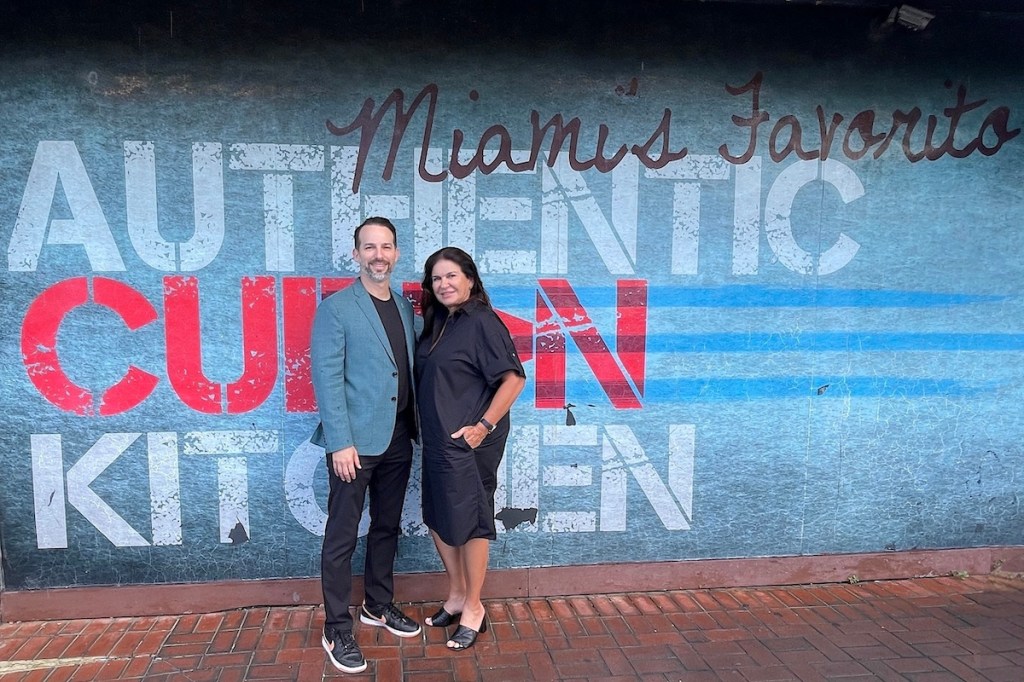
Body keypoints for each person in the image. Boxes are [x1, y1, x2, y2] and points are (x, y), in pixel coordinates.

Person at [309, 216, 422, 674]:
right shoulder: (336, 309)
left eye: (387, 246)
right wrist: (340, 442)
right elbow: (327, 378)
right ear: (356, 255)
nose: (379, 255)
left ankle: (378, 604)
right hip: (354, 444)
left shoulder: (405, 307)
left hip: (398, 438)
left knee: (387, 528)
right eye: (369, 247)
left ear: (396, 254)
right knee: (341, 535)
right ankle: (336, 626)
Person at [414, 246, 527, 651]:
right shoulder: (438, 322)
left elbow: (514, 380)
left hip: (470, 442)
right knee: (439, 516)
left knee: (471, 519)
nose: (443, 284)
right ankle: (458, 594)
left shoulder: (482, 321)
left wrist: (483, 426)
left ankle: (475, 607)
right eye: (436, 278)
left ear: (471, 280)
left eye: (451, 276)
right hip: (438, 439)